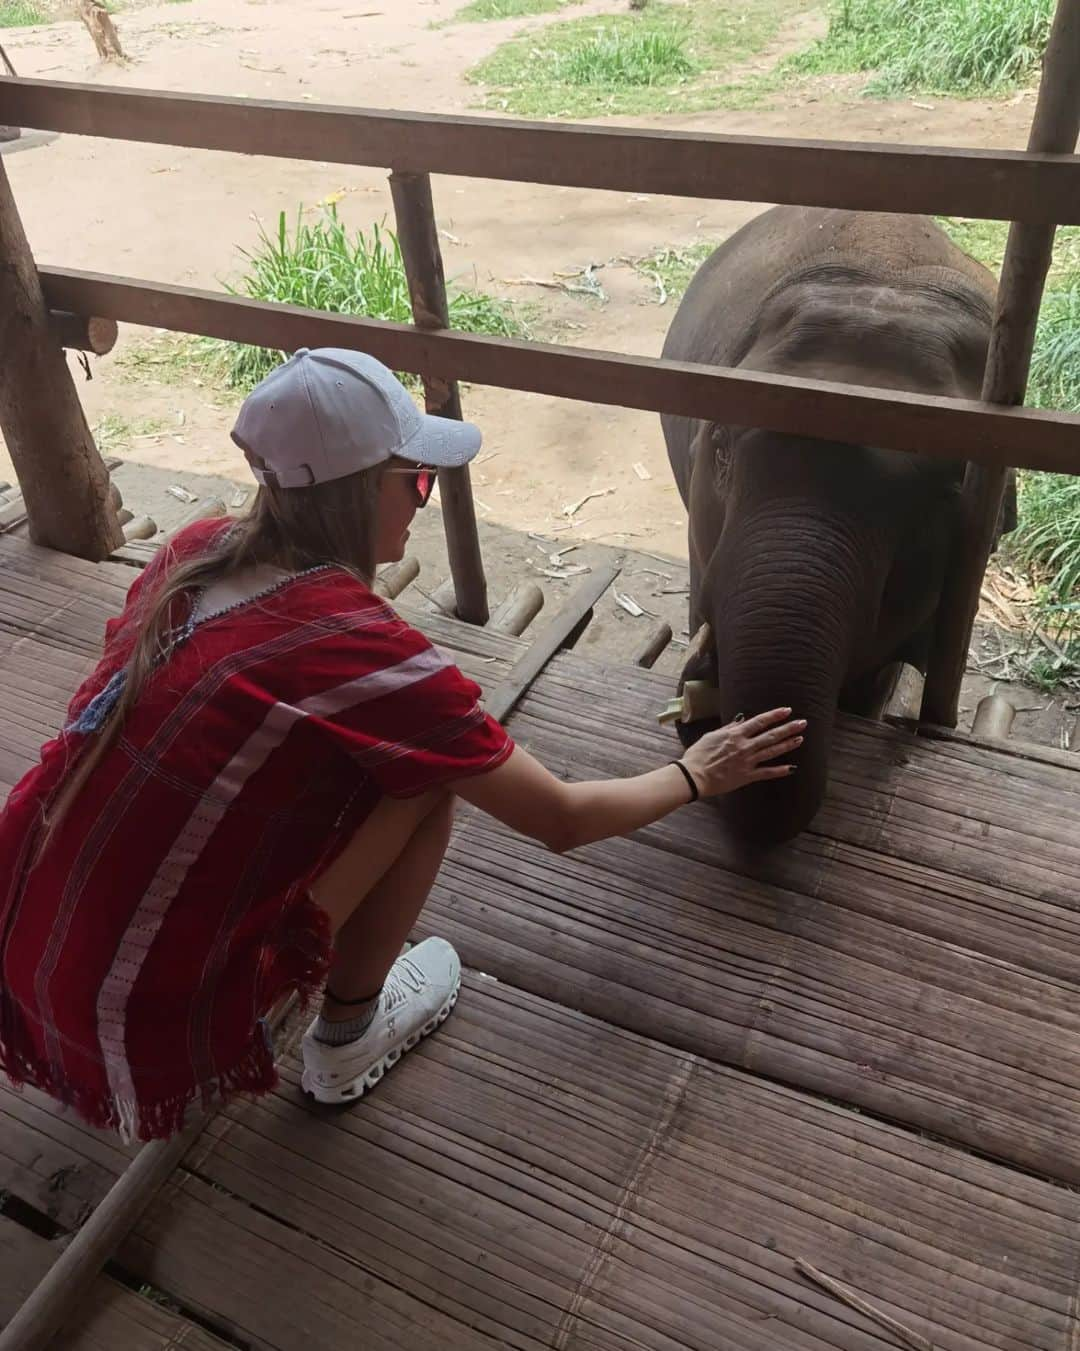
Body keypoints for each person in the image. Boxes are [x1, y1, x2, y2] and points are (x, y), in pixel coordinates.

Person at [0, 348, 804, 1142]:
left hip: (28, 944)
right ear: (359, 493)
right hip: (145, 1019)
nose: (423, 499)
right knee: (425, 778)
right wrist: (696, 773)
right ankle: (348, 1041)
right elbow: (561, 818)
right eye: (415, 479)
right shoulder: (358, 648)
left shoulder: (196, 548)